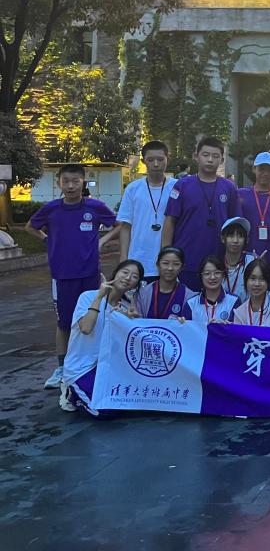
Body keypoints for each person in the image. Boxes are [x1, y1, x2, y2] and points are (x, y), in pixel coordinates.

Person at [26, 163, 117, 390]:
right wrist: (47, 240)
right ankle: (62, 368)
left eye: (75, 181)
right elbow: (30, 227)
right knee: (64, 323)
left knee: (94, 319)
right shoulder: (51, 209)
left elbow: (118, 225)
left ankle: (94, 365)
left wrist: (103, 240)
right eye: (65, 181)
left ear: (83, 182)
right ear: (59, 183)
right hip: (62, 275)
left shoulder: (95, 207)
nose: (70, 186)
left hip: (90, 274)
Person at [60, 260, 144, 414]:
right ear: (115, 273)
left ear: (136, 285)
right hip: (81, 368)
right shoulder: (88, 297)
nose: (128, 278)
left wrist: (130, 322)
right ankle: (70, 393)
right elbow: (86, 328)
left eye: (134, 277)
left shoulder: (126, 308)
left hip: (107, 368)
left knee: (134, 402)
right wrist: (99, 297)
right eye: (125, 272)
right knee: (105, 411)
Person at [163, 136, 239, 291]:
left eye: (215, 156)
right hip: (186, 261)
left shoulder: (229, 188)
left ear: (222, 160)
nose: (210, 160)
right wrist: (166, 254)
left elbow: (235, 225)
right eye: (205, 155)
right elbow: (170, 221)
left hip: (218, 264)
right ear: (196, 156)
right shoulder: (182, 185)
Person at [116, 140, 177, 281]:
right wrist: (123, 258)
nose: (156, 164)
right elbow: (126, 226)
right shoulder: (133, 188)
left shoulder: (177, 187)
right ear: (143, 161)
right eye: (150, 160)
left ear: (167, 159)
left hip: (169, 261)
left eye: (160, 159)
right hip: (138, 258)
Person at [237, 151, 270, 278]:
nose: (265, 173)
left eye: (269, 170)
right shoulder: (241, 195)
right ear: (254, 169)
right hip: (247, 255)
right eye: (261, 169)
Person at [136, 246, 196, 319]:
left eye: (176, 264)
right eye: (165, 263)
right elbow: (137, 321)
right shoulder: (143, 293)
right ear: (158, 265)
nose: (170, 268)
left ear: (182, 267)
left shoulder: (189, 297)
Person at [182, 256, 238, 326]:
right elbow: (186, 330)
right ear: (200, 276)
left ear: (223, 275)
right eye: (207, 273)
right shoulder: (191, 304)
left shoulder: (234, 301)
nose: (212, 277)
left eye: (217, 273)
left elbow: (238, 330)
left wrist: (225, 327)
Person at [231, 258, 270, 327]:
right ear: (246, 281)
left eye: (262, 279)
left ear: (269, 281)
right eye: (253, 278)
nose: (257, 284)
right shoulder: (239, 312)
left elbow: (269, 330)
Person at [220, 217, 256, 299]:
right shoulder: (216, 264)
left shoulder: (251, 261)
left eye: (240, 236)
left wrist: (259, 266)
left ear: (247, 240)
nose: (235, 240)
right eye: (231, 236)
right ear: (223, 239)